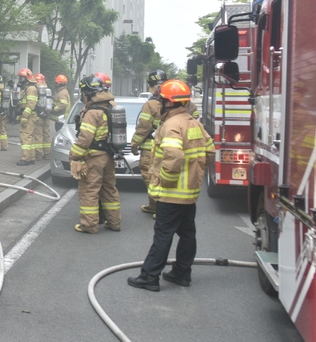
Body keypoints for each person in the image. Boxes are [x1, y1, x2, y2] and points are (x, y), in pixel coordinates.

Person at [128, 79, 215, 291]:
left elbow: (174, 155)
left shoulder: (171, 125)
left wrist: (166, 180)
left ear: (168, 102)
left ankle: (149, 276)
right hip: (190, 192)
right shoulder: (194, 123)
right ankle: (182, 273)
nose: (159, 104)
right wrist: (195, 172)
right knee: (187, 233)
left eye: (161, 101)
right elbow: (210, 151)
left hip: (171, 193)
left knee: (163, 234)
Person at [69, 75, 121, 234]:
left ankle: (89, 226)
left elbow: (85, 139)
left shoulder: (93, 112)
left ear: (88, 93)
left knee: (89, 191)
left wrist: (74, 155)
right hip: (108, 157)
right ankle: (114, 223)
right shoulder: (111, 106)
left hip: (94, 158)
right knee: (109, 190)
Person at [132, 69, 167, 217]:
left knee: (150, 176)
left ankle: (161, 208)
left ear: (150, 85)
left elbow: (144, 127)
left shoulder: (151, 104)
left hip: (151, 148)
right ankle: (154, 206)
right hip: (170, 146)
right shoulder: (176, 102)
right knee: (162, 176)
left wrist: (134, 143)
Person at [16, 68, 38, 166]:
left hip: (28, 116)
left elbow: (31, 104)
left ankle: (25, 159)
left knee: (25, 137)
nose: (20, 80)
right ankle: (31, 158)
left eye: (22, 78)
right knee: (30, 138)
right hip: (28, 115)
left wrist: (24, 116)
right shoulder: (27, 88)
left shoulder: (30, 88)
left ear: (27, 78)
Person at [35, 73, 52, 160]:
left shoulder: (36, 90)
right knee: (46, 135)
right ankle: (47, 154)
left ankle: (38, 155)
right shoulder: (47, 89)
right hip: (47, 116)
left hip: (38, 117)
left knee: (38, 136)